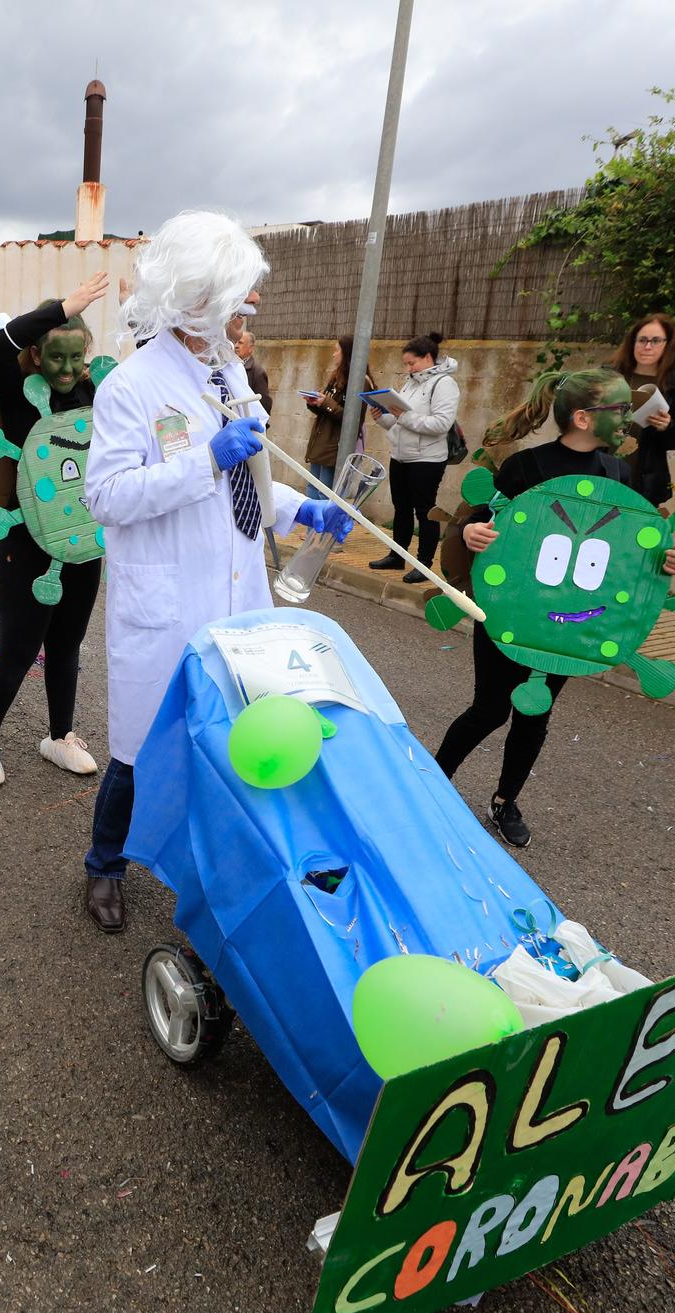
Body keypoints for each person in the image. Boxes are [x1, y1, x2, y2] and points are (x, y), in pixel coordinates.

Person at [82, 213, 348, 933]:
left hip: (234, 593)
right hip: (165, 599)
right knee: (140, 751)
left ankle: (205, 871)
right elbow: (104, 496)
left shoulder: (228, 371)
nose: (243, 312)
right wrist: (205, 461)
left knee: (224, 742)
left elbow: (254, 476)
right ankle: (104, 863)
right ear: (197, 296)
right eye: (234, 298)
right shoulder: (130, 387)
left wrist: (305, 511)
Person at [434, 368, 675, 847]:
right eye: (619, 410)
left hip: (569, 622)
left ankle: (504, 802)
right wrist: (473, 535)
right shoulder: (525, 468)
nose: (627, 420)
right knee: (490, 709)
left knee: (535, 714)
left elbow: (628, 550)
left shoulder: (619, 473)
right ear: (581, 417)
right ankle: (429, 785)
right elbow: (481, 525)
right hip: (509, 613)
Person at [0, 284, 110, 790]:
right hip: (24, 546)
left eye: (76, 357)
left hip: (83, 545)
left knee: (67, 645)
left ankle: (60, 736)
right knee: (19, 649)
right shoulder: (17, 390)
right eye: (56, 357)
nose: (67, 369)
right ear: (36, 355)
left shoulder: (94, 394)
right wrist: (62, 310)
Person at [367, 332, 460, 584]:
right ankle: (397, 556)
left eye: (412, 363)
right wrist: (381, 417)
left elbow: (441, 423)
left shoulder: (444, 384)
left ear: (428, 357)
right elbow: (399, 422)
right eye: (406, 364)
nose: (408, 368)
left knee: (425, 511)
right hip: (401, 456)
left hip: (427, 460)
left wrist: (402, 417)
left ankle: (424, 564)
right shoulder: (411, 382)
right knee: (402, 509)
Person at [609, 313, 675, 506]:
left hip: (642, 480)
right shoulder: (610, 376)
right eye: (642, 340)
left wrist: (666, 427)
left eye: (656, 341)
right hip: (601, 471)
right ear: (632, 342)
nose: (647, 347)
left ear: (668, 345)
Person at [303, 335, 375, 491]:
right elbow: (328, 408)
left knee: (326, 494)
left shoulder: (361, 382)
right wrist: (314, 402)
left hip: (335, 447)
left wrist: (326, 402)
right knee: (312, 490)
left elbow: (352, 419)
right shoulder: (337, 377)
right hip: (321, 443)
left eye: (337, 350)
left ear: (347, 353)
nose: (333, 354)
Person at [235, 325, 272, 415]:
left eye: (240, 343)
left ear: (251, 348)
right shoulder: (231, 366)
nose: (236, 346)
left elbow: (264, 403)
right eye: (235, 342)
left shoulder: (257, 372)